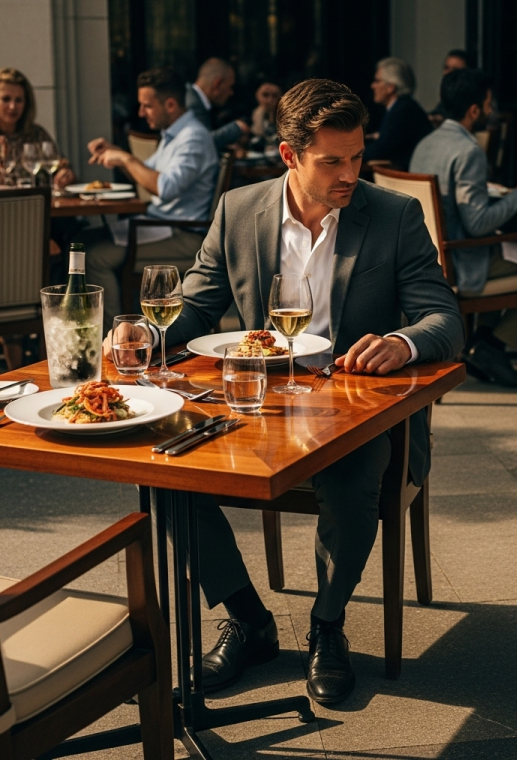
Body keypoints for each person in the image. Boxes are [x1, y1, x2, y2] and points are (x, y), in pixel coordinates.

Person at [105, 78, 464, 703]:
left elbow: (445, 319)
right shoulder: (239, 210)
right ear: (289, 155)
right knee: (162, 472)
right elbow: (194, 305)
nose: (350, 173)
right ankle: (249, 619)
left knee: (355, 477)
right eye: (332, 161)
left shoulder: (394, 215)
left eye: (357, 156)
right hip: (254, 408)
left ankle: (327, 626)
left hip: (360, 411)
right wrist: (145, 333)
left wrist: (402, 342)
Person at [410, 68, 517, 388]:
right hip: (462, 261)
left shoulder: (425, 144)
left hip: (430, 256)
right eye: (489, 105)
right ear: (474, 110)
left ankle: (481, 344)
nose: (491, 111)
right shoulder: (469, 151)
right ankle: (492, 345)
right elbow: (477, 225)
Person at [82, 66, 219, 324]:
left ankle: (115, 338)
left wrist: (125, 158)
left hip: (184, 235)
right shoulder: (174, 135)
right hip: (159, 226)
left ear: (170, 104)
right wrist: (118, 154)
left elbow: (163, 187)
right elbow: (149, 172)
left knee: (93, 257)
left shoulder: (193, 137)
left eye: (147, 106)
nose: (140, 113)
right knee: (80, 240)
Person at [0, 67, 78, 369]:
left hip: (35, 231)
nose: (12, 106)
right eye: (5, 98)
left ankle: (51, 359)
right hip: (9, 236)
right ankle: (21, 368)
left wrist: (63, 173)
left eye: (19, 100)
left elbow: (56, 167)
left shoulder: (36, 134)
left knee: (59, 252)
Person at [363, 57, 432, 170]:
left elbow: (379, 150)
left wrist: (348, 154)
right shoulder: (400, 107)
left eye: (377, 81)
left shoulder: (403, 110)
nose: (372, 86)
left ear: (391, 87)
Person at [185, 58, 249, 152]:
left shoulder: (194, 99)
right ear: (217, 84)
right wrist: (237, 127)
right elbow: (200, 143)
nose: (231, 93)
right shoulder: (193, 103)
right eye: (230, 86)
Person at [428, 49, 469, 126]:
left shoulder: (475, 97)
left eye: (455, 70)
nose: (449, 73)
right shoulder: (448, 96)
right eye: (447, 68)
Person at [250, 80, 282, 146]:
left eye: (274, 96)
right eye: (265, 95)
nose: (270, 100)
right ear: (257, 95)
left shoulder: (285, 117)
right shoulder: (247, 116)